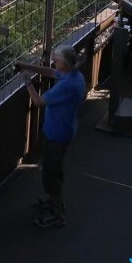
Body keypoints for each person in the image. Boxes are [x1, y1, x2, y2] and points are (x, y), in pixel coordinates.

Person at [17, 46, 86, 229]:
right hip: (65, 129)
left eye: (57, 60)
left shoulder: (67, 85)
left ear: (66, 63)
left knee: (50, 174)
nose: (54, 62)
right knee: (55, 169)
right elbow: (51, 72)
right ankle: (54, 199)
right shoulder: (74, 75)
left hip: (57, 133)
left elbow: (38, 101)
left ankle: (58, 214)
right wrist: (28, 66)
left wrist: (27, 82)